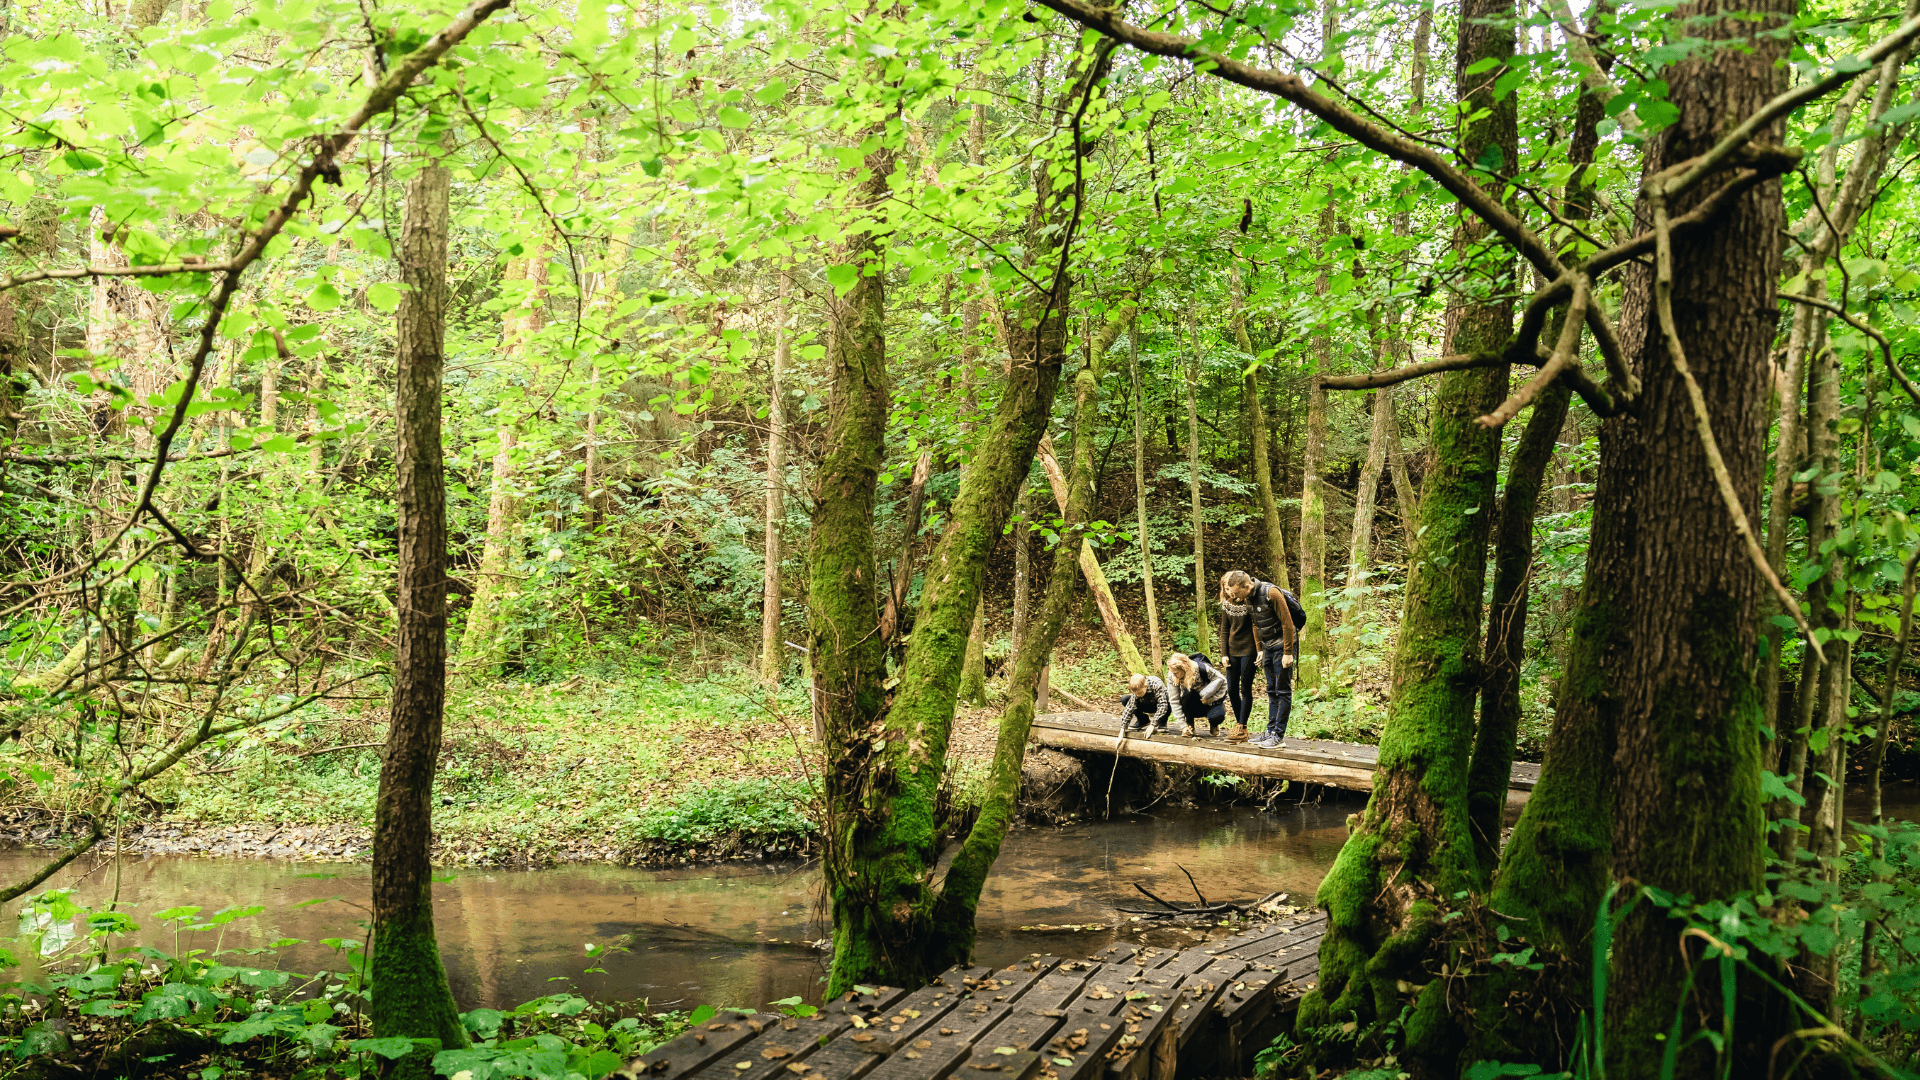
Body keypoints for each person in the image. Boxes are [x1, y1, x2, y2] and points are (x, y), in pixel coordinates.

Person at [1219, 569, 1304, 748]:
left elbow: (1287, 623)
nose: (1233, 596)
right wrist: (1260, 649)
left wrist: (1288, 653)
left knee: (1283, 691)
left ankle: (1278, 736)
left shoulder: (1271, 593)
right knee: (1271, 690)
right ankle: (1270, 732)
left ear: (1246, 586)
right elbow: (1256, 624)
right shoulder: (1248, 598)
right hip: (1268, 647)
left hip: (1283, 646)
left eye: (1235, 592)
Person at [1166, 652, 1228, 737]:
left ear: (1184, 669)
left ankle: (1214, 724)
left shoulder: (1202, 668)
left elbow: (1223, 682)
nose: (1174, 675)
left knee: (1218, 715)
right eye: (1172, 672)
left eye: (1176, 673)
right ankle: (1189, 725)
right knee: (1187, 696)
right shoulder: (1172, 675)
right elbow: (1174, 700)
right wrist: (1182, 726)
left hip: (1208, 699)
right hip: (1190, 702)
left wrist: (1212, 699)